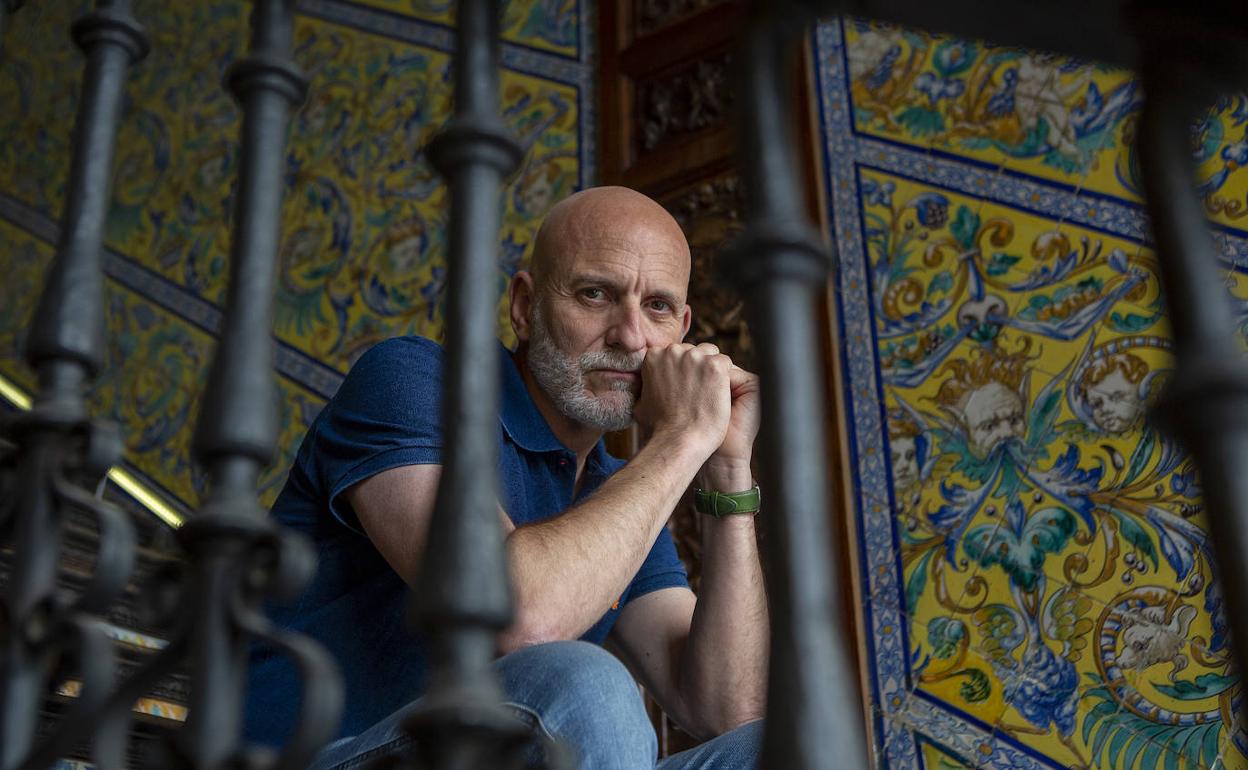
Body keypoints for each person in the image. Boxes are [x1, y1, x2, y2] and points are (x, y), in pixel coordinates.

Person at [245, 186, 768, 769]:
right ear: (524, 306)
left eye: (658, 307)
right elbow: (517, 619)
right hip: (308, 759)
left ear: (683, 329)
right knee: (586, 682)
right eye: (595, 294)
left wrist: (726, 467)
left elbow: (728, 710)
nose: (630, 336)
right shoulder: (413, 381)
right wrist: (680, 439)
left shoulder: (618, 491)